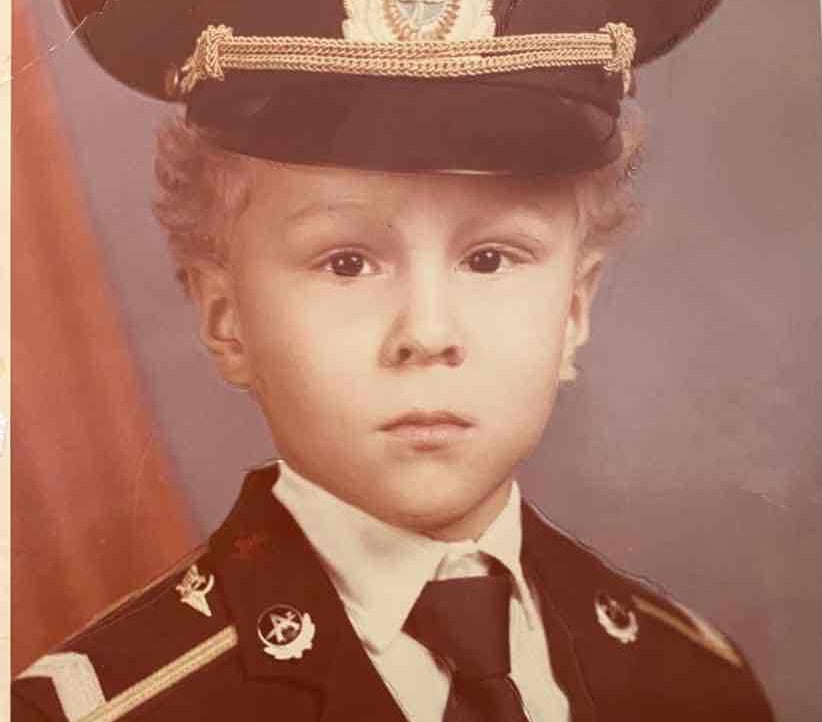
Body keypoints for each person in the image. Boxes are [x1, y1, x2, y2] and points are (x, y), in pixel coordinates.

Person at [12, 0, 775, 720]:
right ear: (226, 318)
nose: (428, 332)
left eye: (489, 258)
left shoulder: (696, 684)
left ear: (574, 309)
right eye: (347, 263)